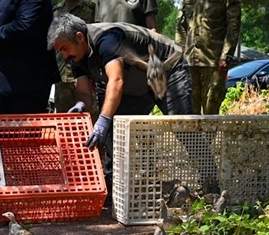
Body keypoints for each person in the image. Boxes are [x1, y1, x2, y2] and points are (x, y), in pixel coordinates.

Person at [47, 13, 192, 196]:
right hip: (138, 82)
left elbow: (116, 80)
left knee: (185, 129)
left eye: (64, 48)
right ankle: (116, 190)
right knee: (115, 133)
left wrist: (102, 121)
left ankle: (210, 186)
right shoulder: (76, 57)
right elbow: (84, 92)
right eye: (60, 51)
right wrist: (81, 105)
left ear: (79, 37)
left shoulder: (107, 39)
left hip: (168, 70)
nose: (64, 55)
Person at [177, 0, 242, 115]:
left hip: (214, 63)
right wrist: (179, 54)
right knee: (188, 111)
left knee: (211, 109)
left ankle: (208, 143)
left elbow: (233, 27)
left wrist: (225, 57)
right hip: (190, 62)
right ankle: (193, 142)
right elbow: (181, 26)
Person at [52, 0, 96, 114]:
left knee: (89, 121)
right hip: (62, 80)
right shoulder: (56, 12)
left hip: (86, 76)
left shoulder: (91, 8)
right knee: (64, 124)